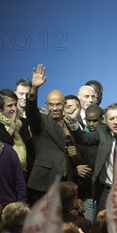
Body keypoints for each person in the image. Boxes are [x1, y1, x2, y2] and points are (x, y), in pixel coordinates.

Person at [25, 64, 80, 202]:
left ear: (64, 104)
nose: (55, 108)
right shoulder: (41, 121)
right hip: (44, 182)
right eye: (51, 105)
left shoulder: (71, 124)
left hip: (66, 183)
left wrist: (75, 157)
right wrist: (34, 89)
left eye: (58, 104)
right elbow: (31, 111)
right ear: (46, 105)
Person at [0, 88, 33, 177]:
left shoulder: (23, 122)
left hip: (25, 175)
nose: (14, 108)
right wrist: (11, 130)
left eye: (15, 104)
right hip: (1, 176)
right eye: (10, 105)